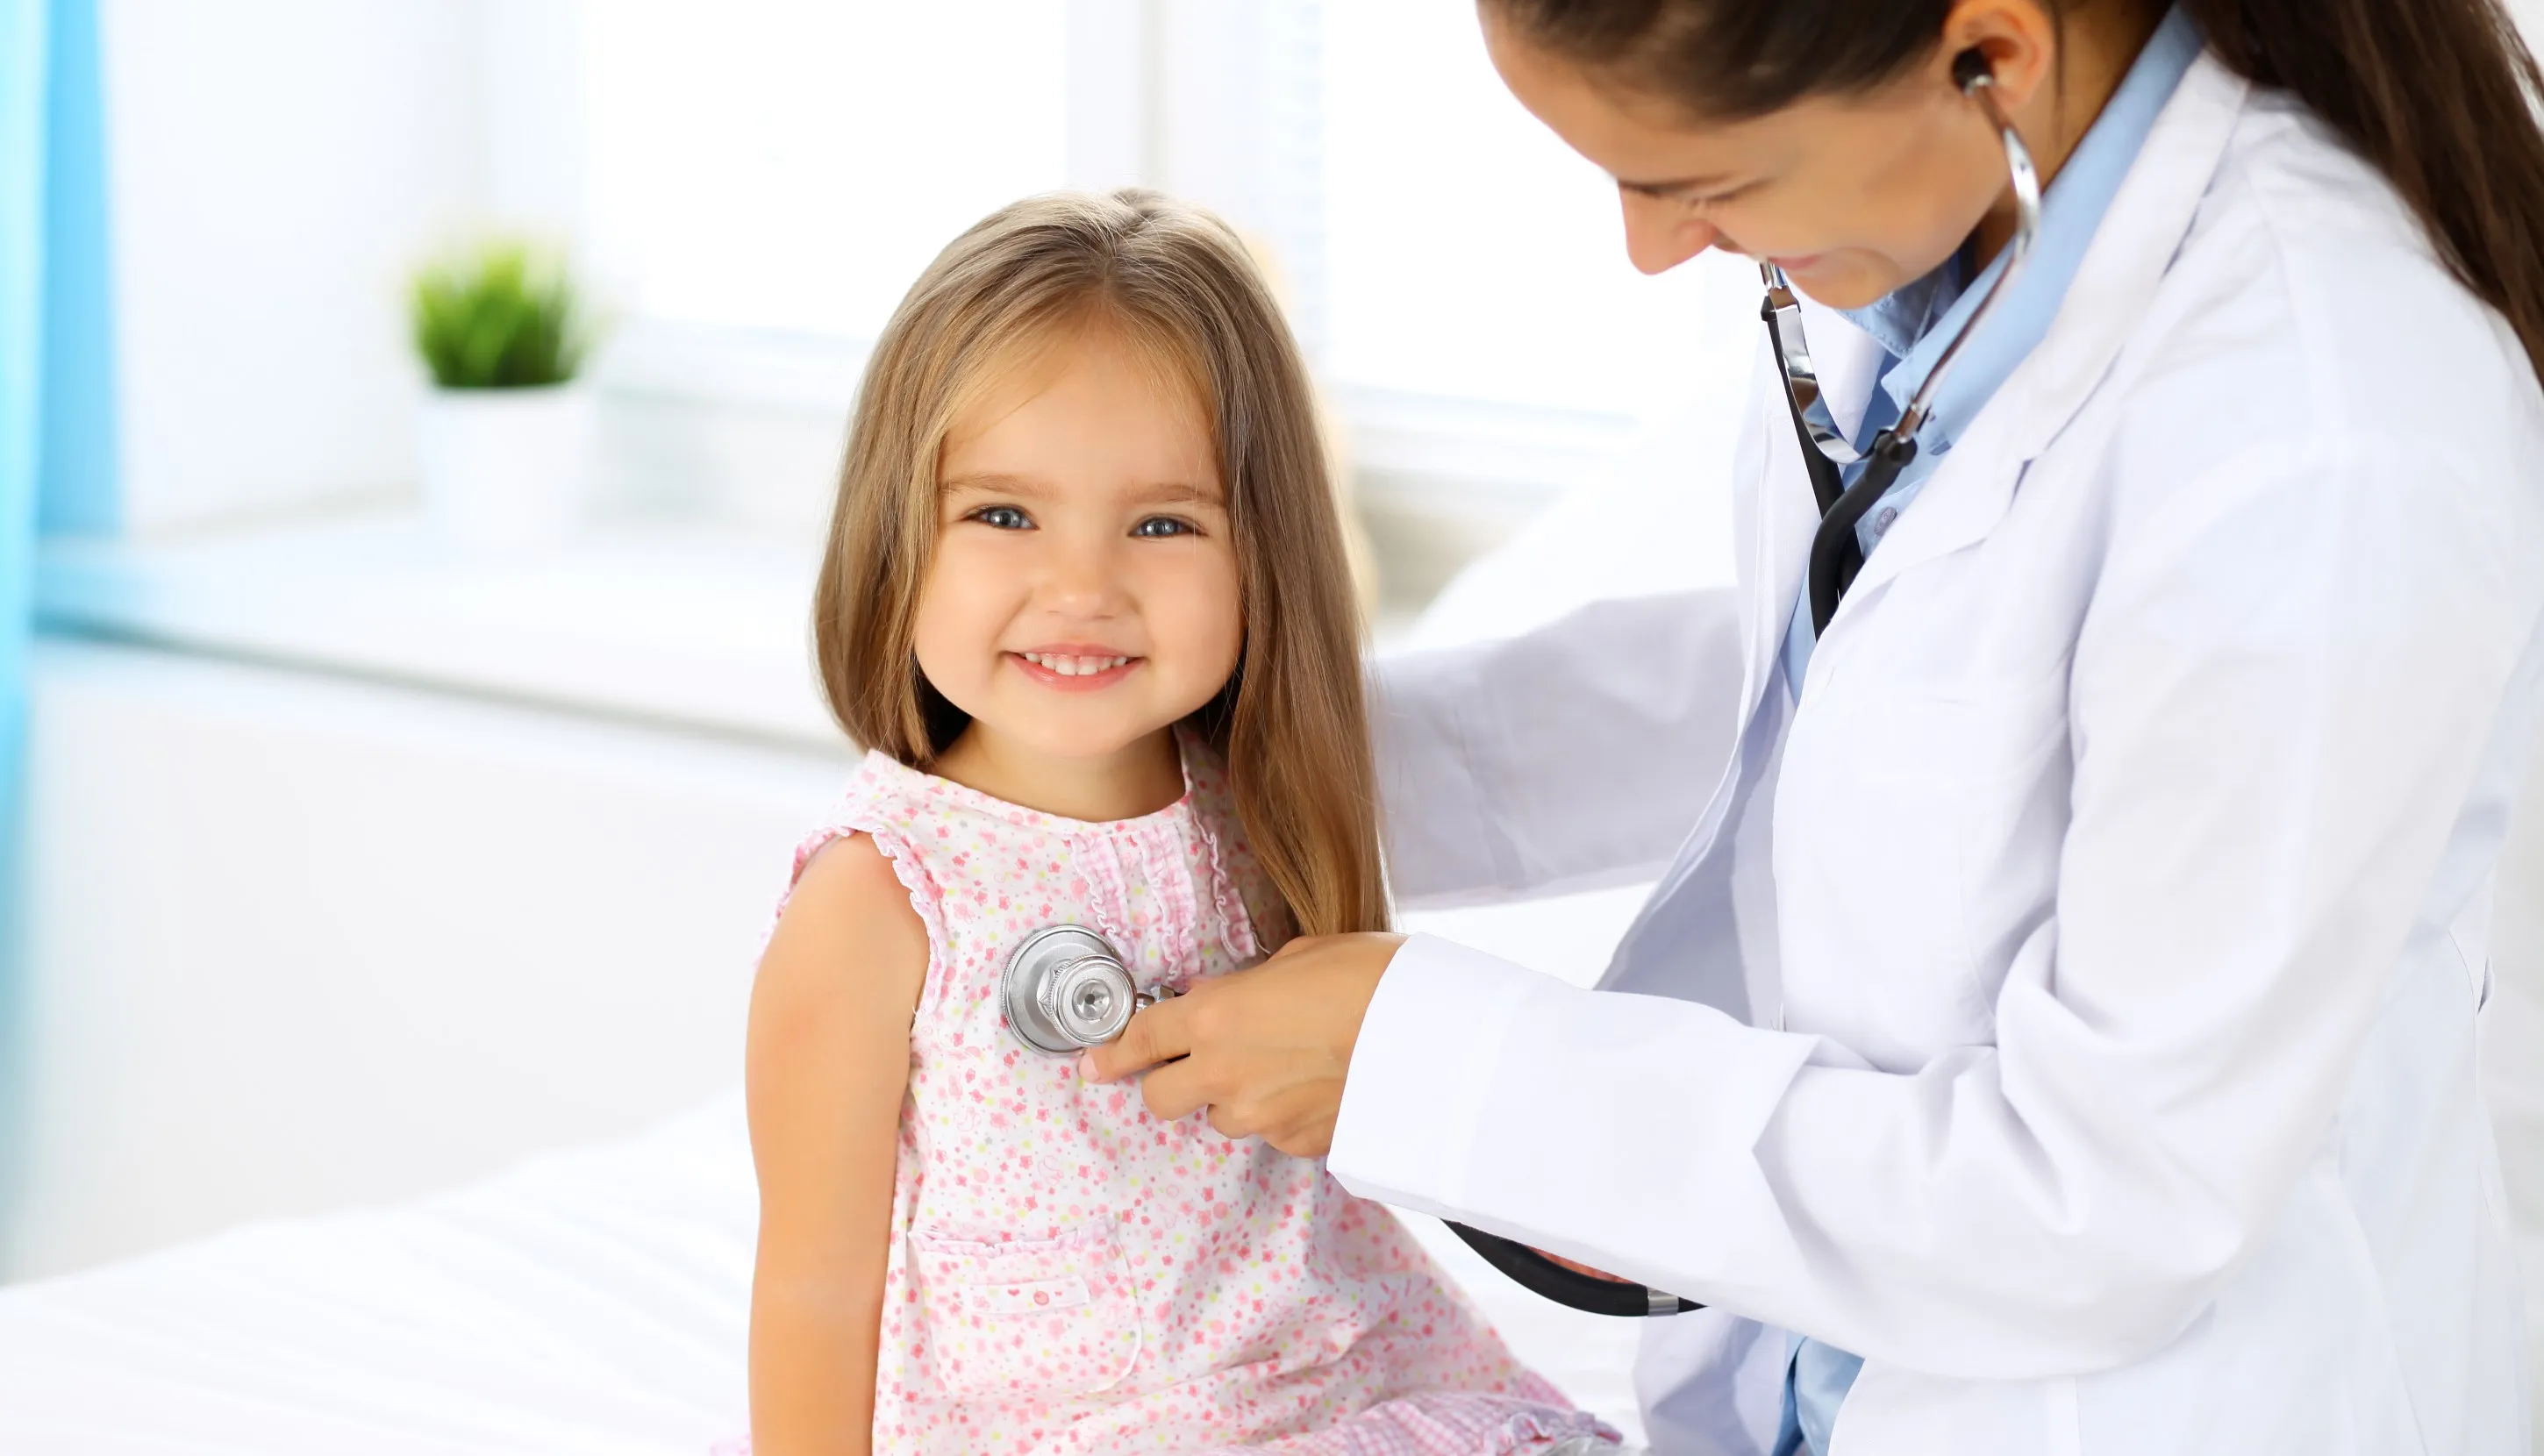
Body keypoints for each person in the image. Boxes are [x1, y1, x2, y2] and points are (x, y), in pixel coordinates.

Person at [1085, 1, 2544, 1452]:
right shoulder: (1948, 262)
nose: (1650, 251)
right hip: (1812, 1384)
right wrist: (1257, 768)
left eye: (1705, 187)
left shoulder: (2318, 432)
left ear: (1994, 56)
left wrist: (1429, 1062)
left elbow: (2103, 1199)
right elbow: (1858, 681)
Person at [740, 190, 1619, 1456]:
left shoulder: (1256, 821)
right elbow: (818, 1288)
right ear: (897, 535)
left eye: (1163, 524)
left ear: (1263, 550)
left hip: (1334, 1391)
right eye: (1003, 514)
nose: (1084, 587)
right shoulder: (880, 902)